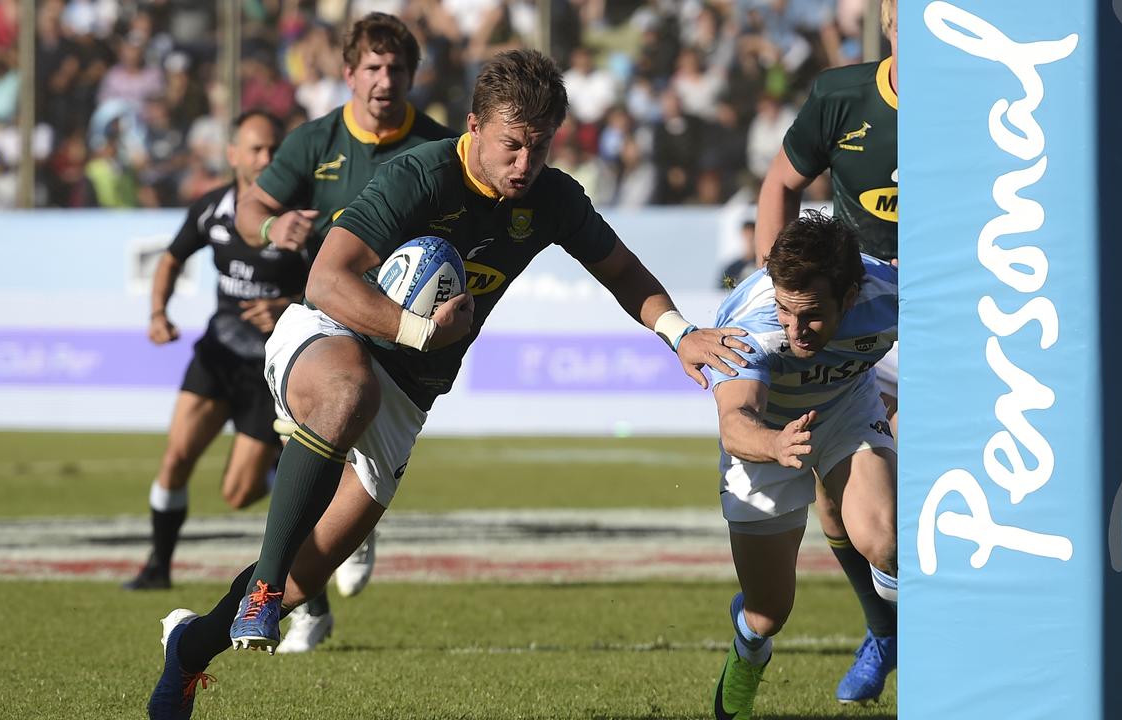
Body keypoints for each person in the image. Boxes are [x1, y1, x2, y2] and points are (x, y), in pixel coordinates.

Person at [147, 49, 751, 720]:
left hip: (410, 391)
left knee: (301, 582)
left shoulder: (551, 197)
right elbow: (326, 277)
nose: (525, 163)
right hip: (329, 336)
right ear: (473, 126)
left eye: (540, 146)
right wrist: (414, 329)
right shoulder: (421, 175)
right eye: (511, 145)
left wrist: (678, 331)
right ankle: (260, 588)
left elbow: (622, 271)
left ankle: (191, 649)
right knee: (349, 394)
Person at [233, 11, 456, 654]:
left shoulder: (439, 150)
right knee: (308, 438)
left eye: (398, 68)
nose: (385, 79)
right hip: (322, 322)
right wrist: (273, 229)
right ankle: (298, 604)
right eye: (373, 67)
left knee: (334, 449)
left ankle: (308, 584)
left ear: (413, 75)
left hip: (399, 335)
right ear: (349, 73)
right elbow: (252, 206)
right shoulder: (314, 141)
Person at [751, 0, 899, 702]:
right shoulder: (842, 96)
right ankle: (885, 631)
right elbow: (781, 182)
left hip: (944, 315)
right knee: (841, 509)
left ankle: (959, 634)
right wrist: (770, 285)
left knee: (896, 511)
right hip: (849, 311)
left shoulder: (988, 102)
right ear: (891, 19)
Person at [710, 210, 898, 718]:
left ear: (851, 297)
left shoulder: (891, 291)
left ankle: (907, 645)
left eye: (812, 315)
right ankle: (747, 655)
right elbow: (735, 422)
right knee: (768, 612)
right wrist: (774, 446)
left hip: (846, 409)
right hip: (765, 434)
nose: (797, 330)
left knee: (885, 542)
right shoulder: (751, 326)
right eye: (786, 311)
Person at [123, 110, 302, 592]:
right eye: (256, 149)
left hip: (273, 367)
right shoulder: (211, 208)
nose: (266, 158)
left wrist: (288, 306)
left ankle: (281, 467)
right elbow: (172, 257)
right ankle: (158, 566)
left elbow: (334, 283)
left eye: (273, 149)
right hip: (218, 354)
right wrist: (157, 313)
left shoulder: (300, 218)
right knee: (176, 457)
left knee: (237, 494)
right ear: (233, 156)